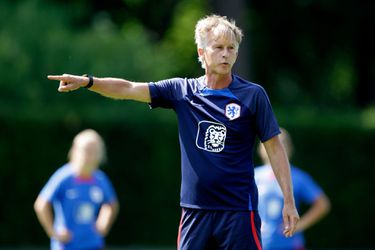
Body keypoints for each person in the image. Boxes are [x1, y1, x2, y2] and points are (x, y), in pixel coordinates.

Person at [47, 14, 299, 249]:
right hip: (195, 212)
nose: (226, 54)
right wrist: (88, 82)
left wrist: (288, 200)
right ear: (202, 52)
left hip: (239, 212)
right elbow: (129, 88)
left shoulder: (253, 95)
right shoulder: (182, 91)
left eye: (231, 48)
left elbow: (274, 148)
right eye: (218, 47)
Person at [34, 129, 119, 250]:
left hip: (93, 244)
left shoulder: (100, 179)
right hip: (66, 245)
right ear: (75, 150)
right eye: (87, 150)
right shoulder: (63, 177)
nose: (90, 155)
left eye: (95, 151)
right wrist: (53, 233)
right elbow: (41, 204)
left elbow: (112, 204)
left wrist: (103, 224)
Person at [255, 128, 330, 250]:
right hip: (259, 244)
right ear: (261, 148)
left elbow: (322, 204)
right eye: (271, 142)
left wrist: (299, 225)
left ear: (290, 148)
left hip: (290, 245)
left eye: (283, 143)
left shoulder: (298, 177)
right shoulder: (254, 176)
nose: (277, 146)